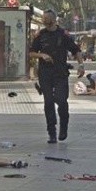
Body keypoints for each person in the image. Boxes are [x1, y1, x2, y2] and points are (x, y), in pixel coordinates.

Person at [29, 9, 85, 143]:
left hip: (60, 72)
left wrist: (81, 65)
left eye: (45, 18)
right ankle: (51, 132)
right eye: (43, 18)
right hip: (45, 73)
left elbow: (76, 50)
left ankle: (64, 126)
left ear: (53, 20)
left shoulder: (63, 35)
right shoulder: (40, 35)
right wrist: (41, 55)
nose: (43, 20)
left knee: (61, 100)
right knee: (48, 102)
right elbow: (31, 52)